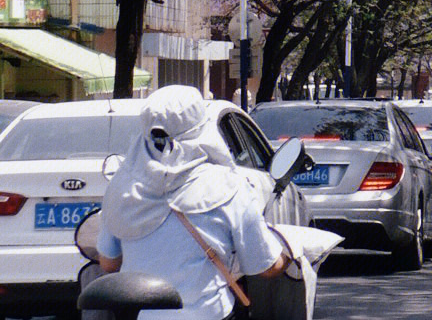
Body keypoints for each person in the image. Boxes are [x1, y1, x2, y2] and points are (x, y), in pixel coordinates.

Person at [97, 85, 290, 320]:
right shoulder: (229, 187)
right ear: (202, 130)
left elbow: (108, 263)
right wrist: (289, 253)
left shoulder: (120, 186)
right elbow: (266, 266)